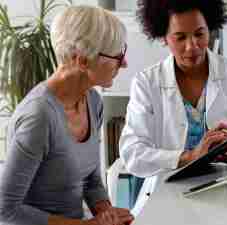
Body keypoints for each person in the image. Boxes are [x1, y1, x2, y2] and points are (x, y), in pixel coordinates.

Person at [119, 0, 227, 217]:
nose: (192, 46)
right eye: (180, 37)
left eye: (200, 34)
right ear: (163, 37)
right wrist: (188, 156)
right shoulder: (146, 83)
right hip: (167, 195)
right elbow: (132, 153)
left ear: (210, 28)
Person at [0, 6, 134, 225]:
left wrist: (108, 214)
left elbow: (90, 179)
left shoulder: (92, 101)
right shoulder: (39, 117)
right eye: (117, 56)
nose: (124, 63)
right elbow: (6, 211)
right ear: (82, 61)